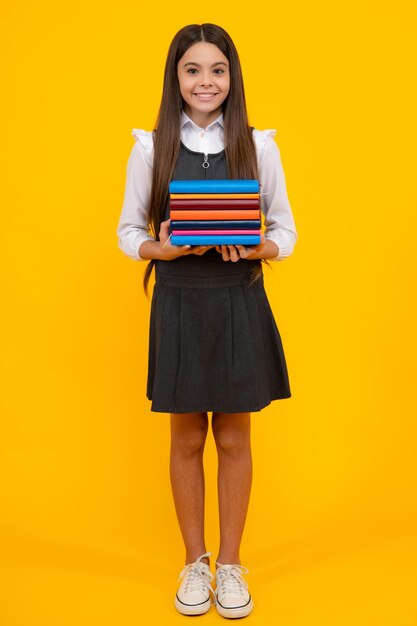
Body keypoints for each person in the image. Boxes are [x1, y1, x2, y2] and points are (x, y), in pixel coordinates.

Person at [116, 23, 298, 619]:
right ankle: (194, 562)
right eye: (193, 70)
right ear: (176, 77)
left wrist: (258, 249)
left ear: (232, 77)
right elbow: (128, 234)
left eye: (216, 70)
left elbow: (287, 233)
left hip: (237, 298)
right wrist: (160, 250)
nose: (205, 81)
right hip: (180, 300)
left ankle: (231, 565)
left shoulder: (257, 144)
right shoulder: (151, 147)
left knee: (235, 437)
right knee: (187, 437)